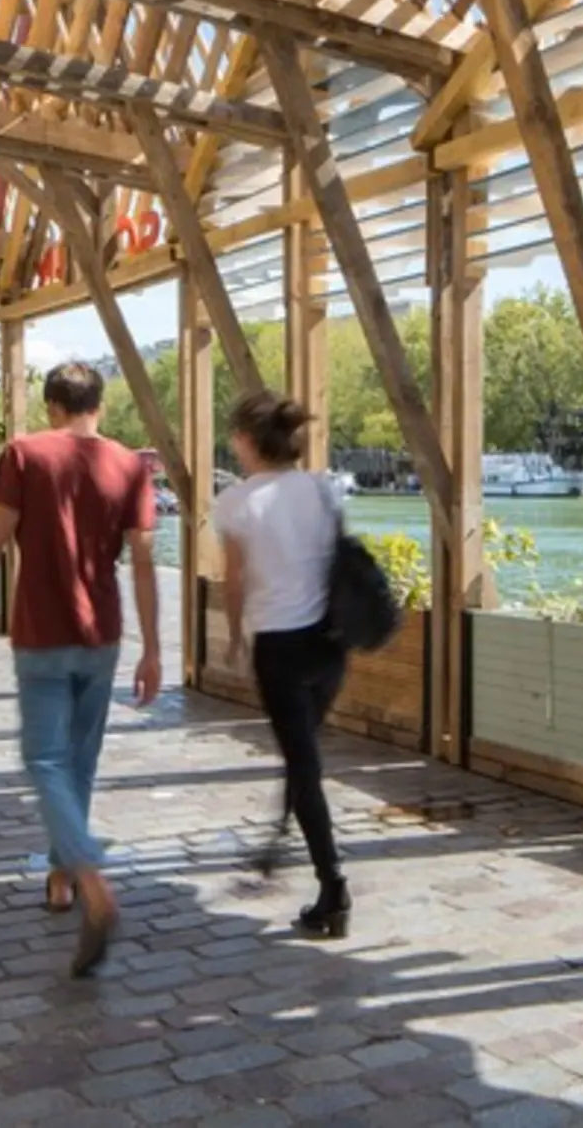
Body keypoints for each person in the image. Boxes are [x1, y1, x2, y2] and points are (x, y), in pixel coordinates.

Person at [0, 362, 161, 978]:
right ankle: (60, 876)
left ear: (51, 406)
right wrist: (154, 649)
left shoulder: (25, 453)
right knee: (81, 761)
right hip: (104, 636)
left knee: (44, 760)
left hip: (41, 631)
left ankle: (87, 878)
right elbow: (143, 563)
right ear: (102, 405)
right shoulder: (130, 465)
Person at [215, 391, 352, 940]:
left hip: (279, 646)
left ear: (248, 441)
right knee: (302, 759)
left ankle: (332, 886)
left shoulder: (236, 503)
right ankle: (289, 847)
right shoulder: (324, 488)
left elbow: (235, 580)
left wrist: (232, 637)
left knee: (303, 766)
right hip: (329, 644)